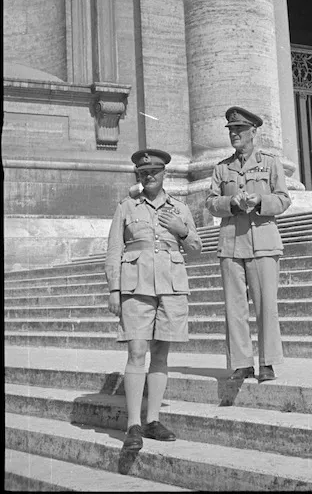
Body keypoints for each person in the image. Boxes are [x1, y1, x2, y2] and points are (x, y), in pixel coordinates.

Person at [105, 148, 202, 452]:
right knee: (136, 352)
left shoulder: (179, 209)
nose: (148, 177)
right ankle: (133, 424)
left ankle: (153, 420)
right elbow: (113, 250)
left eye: (154, 172)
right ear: (138, 176)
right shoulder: (126, 207)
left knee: (161, 355)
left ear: (164, 174)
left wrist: (181, 230)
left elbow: (197, 248)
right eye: (143, 173)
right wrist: (113, 290)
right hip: (136, 288)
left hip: (171, 289)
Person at [205, 107, 291, 383]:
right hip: (231, 243)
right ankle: (241, 363)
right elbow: (210, 203)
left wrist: (259, 202)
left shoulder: (270, 163)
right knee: (234, 306)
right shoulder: (221, 168)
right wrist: (230, 203)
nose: (234, 134)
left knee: (266, 305)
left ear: (253, 132)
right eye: (231, 130)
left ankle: (267, 362)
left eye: (239, 130)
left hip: (263, 241)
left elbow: (283, 199)